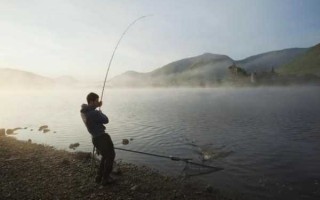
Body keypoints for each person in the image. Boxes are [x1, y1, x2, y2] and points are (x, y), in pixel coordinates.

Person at [80, 92, 116, 185]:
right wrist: (100, 112)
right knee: (110, 156)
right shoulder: (93, 113)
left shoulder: (84, 111)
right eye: (96, 100)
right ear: (91, 101)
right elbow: (106, 120)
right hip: (101, 137)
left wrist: (96, 108)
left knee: (105, 156)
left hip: (95, 138)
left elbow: (92, 113)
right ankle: (105, 178)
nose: (98, 102)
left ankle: (99, 176)